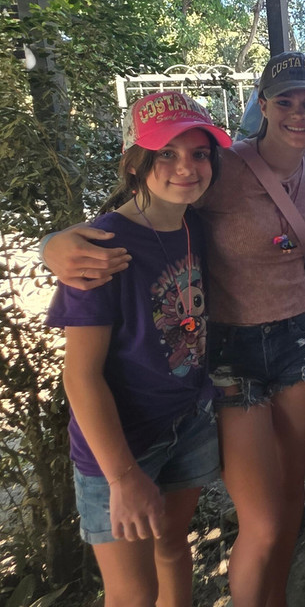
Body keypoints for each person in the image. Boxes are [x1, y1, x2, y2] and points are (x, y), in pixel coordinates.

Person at [43, 52, 305, 607]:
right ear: (263, 107)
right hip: (230, 359)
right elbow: (128, 218)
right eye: (286, 101)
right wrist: (53, 246)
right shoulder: (220, 175)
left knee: (276, 500)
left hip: (289, 347)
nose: (300, 114)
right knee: (264, 524)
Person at [46, 91, 230, 605]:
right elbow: (79, 376)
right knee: (132, 591)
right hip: (120, 445)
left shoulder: (194, 222)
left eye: (198, 153)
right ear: (136, 162)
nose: (186, 168)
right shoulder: (100, 248)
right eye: (166, 154)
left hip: (187, 422)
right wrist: (123, 477)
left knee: (174, 547)